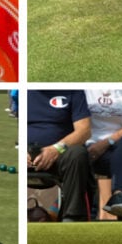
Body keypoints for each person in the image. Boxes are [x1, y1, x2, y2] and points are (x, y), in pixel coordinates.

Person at [25, 90, 95, 222]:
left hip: (61, 156)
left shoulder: (73, 92)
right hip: (26, 155)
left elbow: (84, 131)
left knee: (78, 154)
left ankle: (73, 217)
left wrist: (55, 149)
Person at [83, 86, 122, 220]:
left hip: (116, 146)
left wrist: (104, 144)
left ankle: (118, 195)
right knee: (77, 156)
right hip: (86, 146)